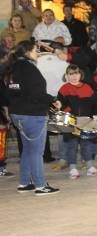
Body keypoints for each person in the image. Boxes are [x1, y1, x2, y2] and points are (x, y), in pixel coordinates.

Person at [5, 41, 59, 194]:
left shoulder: (12, 67)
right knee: (36, 152)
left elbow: (8, 93)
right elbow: (37, 94)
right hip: (32, 115)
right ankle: (40, 185)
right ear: (28, 52)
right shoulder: (30, 68)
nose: (37, 53)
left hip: (17, 114)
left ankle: (24, 183)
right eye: (36, 50)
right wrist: (53, 100)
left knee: (28, 149)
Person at [57, 64, 97, 179]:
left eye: (76, 73)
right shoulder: (64, 89)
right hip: (71, 123)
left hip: (86, 123)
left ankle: (90, 166)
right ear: (66, 76)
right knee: (72, 146)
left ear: (80, 75)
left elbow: (95, 104)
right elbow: (60, 106)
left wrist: (96, 114)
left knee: (86, 144)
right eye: (71, 74)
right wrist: (63, 108)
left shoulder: (88, 87)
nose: (74, 76)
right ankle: (72, 168)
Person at [36, 43, 69, 165]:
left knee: (61, 127)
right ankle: (46, 155)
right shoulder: (40, 59)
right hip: (45, 97)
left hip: (60, 97)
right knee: (43, 127)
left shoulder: (64, 61)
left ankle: (62, 157)